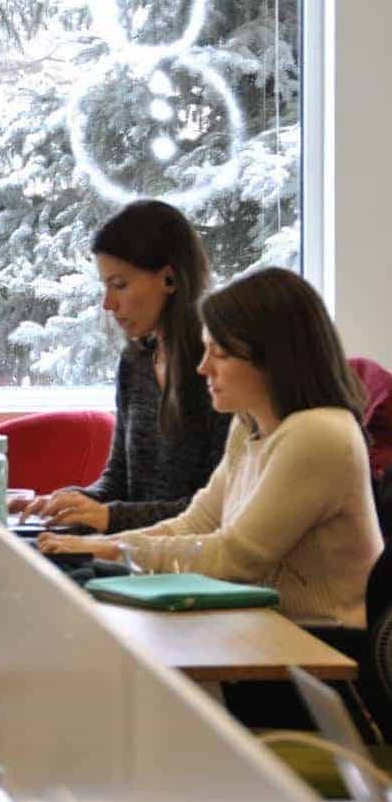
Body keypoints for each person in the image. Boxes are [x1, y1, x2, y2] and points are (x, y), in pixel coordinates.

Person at [38, 267, 382, 628]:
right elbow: (197, 522)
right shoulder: (248, 422)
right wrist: (99, 546)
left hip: (325, 652)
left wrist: (111, 549)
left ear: (272, 358)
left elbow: (235, 557)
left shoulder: (319, 434)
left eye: (220, 353)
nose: (203, 368)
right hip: (265, 632)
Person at [24, 199, 230, 533]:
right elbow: (118, 483)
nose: (108, 304)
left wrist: (110, 517)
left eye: (120, 285)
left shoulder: (222, 371)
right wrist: (62, 504)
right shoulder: (136, 363)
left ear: (170, 279)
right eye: (105, 286)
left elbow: (216, 512)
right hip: (135, 555)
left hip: (187, 564)